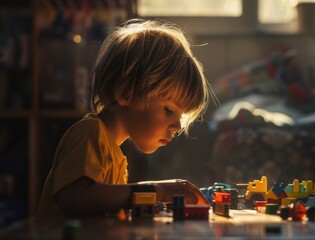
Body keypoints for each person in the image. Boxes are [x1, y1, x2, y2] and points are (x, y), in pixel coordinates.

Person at [38, 19, 213, 218]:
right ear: (125, 92)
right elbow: (75, 198)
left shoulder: (116, 155)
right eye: (168, 110)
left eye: (181, 116)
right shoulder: (89, 133)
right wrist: (159, 191)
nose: (177, 126)